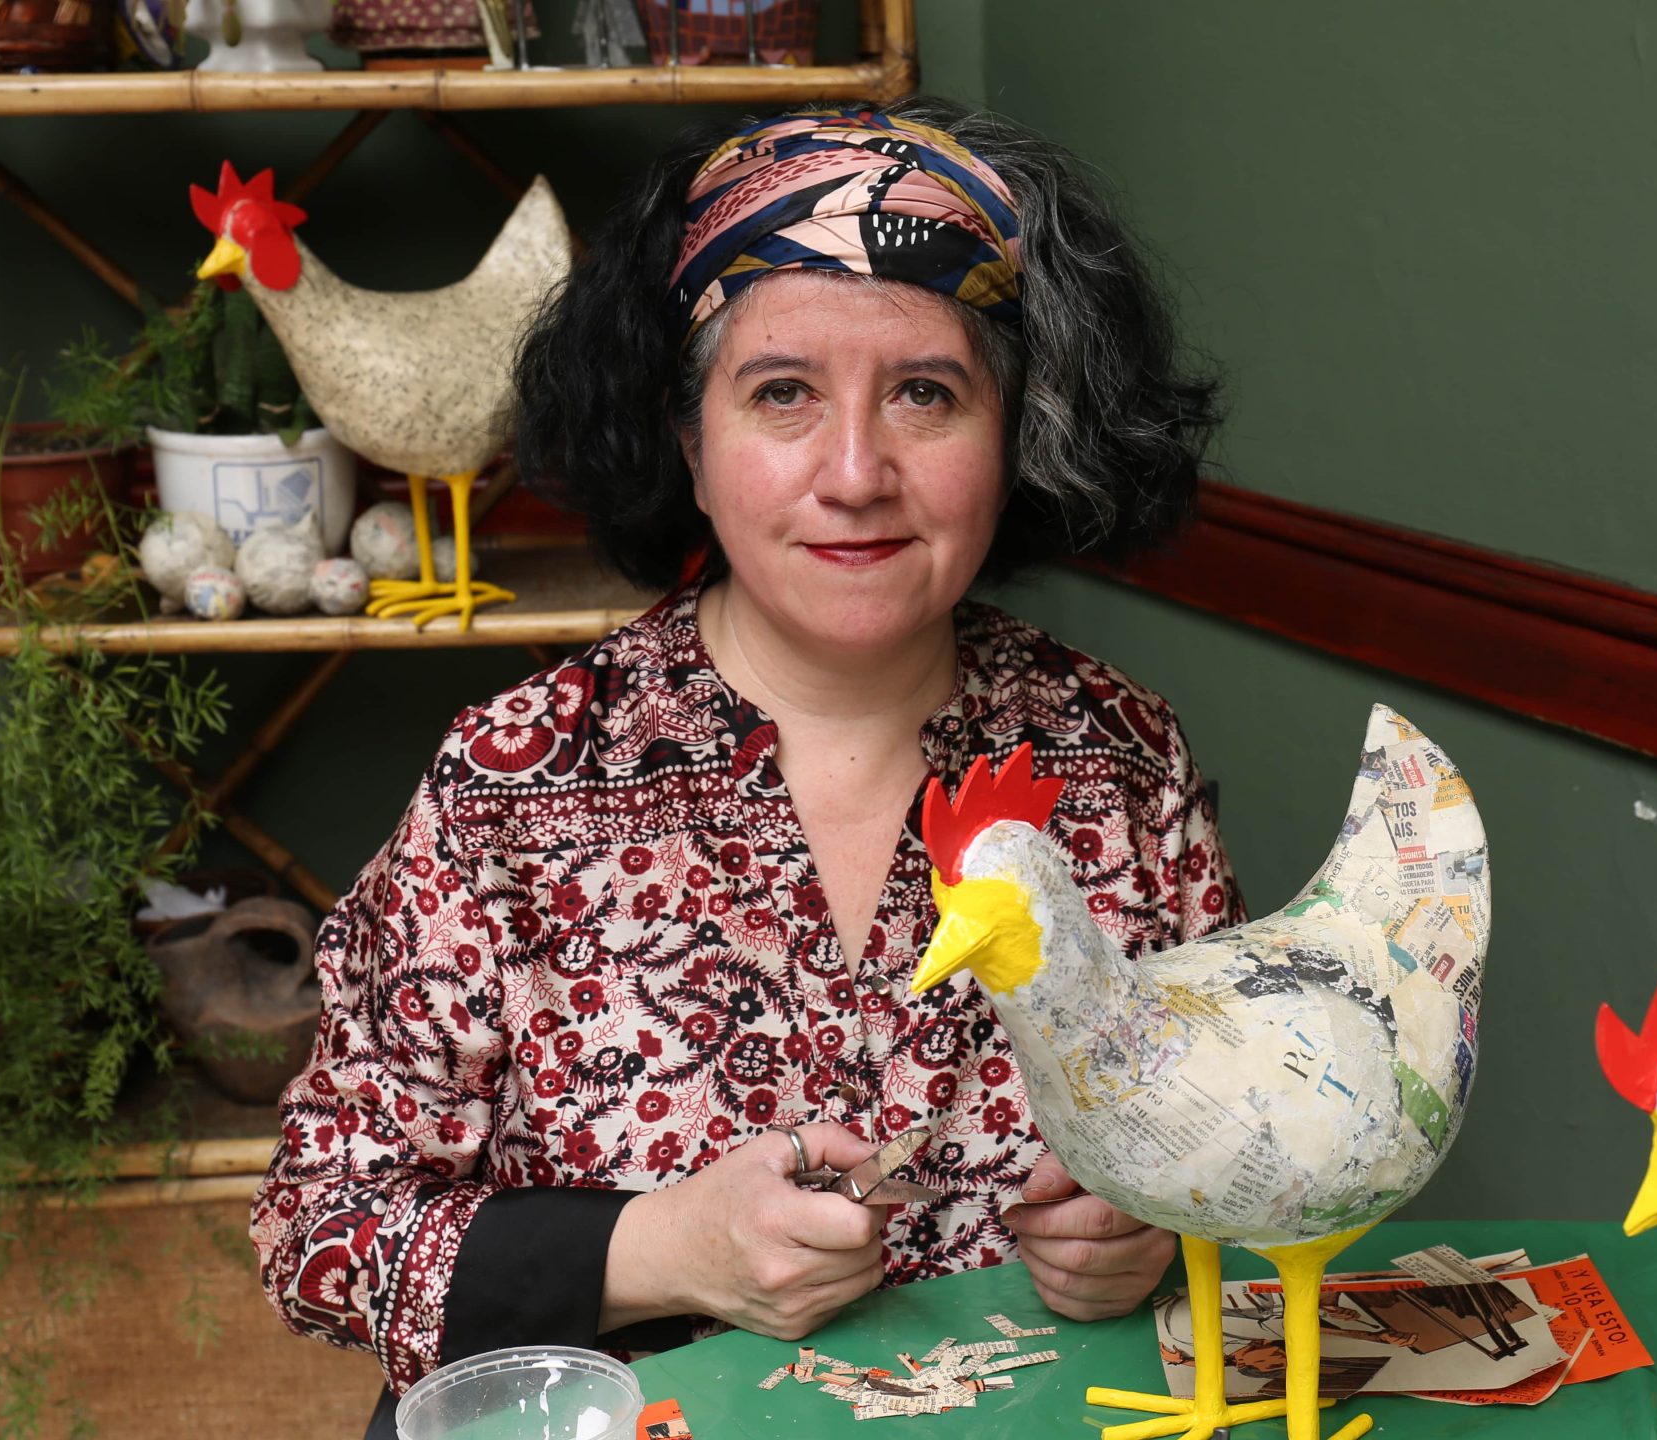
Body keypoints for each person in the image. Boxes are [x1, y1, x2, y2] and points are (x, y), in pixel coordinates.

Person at [250, 98, 1241, 1429]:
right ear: (688, 440)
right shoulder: (513, 784)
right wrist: (656, 1249)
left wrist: (1159, 1228)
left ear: (1017, 433)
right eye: (782, 394)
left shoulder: (1122, 762)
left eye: (926, 394)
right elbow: (318, 1231)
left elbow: (1240, 1135)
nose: (856, 472)